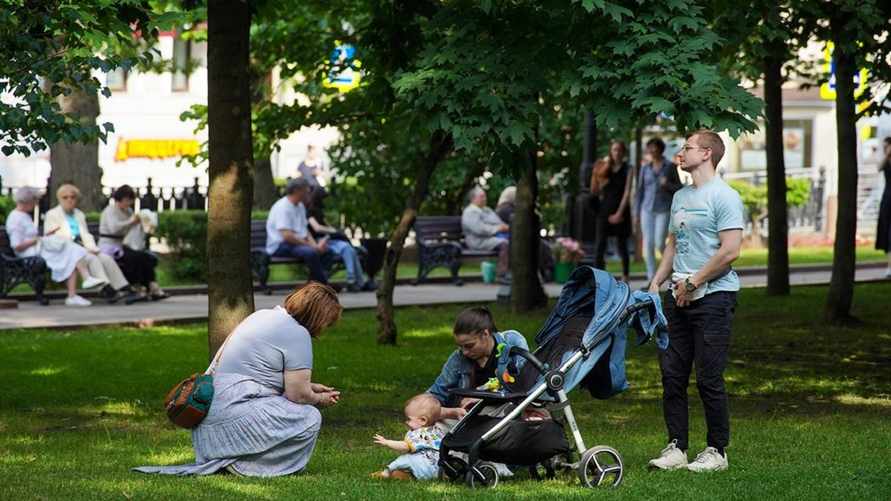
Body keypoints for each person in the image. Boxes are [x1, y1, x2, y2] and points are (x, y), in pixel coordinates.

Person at [134, 282, 343, 477]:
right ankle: (248, 466)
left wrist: (312, 387)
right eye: (327, 322)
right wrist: (319, 399)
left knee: (301, 409)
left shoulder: (263, 316)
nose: (325, 328)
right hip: (231, 414)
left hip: (208, 421)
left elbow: (264, 375)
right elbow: (297, 395)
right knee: (309, 417)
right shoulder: (297, 333)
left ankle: (234, 459)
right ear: (318, 315)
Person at [647, 130, 744, 473]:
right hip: (678, 295)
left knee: (708, 377)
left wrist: (694, 281)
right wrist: (657, 281)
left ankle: (717, 451)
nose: (680, 152)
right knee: (672, 374)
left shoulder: (725, 196)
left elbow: (730, 250)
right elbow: (673, 245)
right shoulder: (680, 197)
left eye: (687, 147)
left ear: (706, 154)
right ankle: (677, 447)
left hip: (714, 298)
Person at [6, 187, 107, 306]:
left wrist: (45, 237)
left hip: (37, 249)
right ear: (27, 201)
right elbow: (17, 246)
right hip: (29, 254)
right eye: (34, 201)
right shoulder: (15, 218)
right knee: (67, 247)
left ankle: (75, 293)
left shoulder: (24, 216)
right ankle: (83, 282)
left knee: (69, 251)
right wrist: (38, 239)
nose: (36, 204)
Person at [45, 184, 138, 304]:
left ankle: (122, 286)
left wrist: (92, 247)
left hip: (82, 248)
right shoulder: (52, 215)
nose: (69, 200)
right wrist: (83, 248)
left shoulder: (79, 214)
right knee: (92, 259)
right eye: (65, 197)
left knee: (105, 258)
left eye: (72, 197)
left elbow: (86, 235)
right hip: (65, 250)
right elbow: (52, 237)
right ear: (59, 199)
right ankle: (106, 288)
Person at [427, 306, 529, 407]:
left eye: (469, 346)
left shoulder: (511, 341)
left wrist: (481, 397)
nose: (465, 352)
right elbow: (437, 393)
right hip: (473, 415)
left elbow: (525, 382)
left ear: (485, 333)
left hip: (509, 409)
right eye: (460, 346)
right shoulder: (458, 358)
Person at [98, 185, 168, 301]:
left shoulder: (128, 211)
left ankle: (152, 285)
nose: (128, 203)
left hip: (124, 245)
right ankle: (138, 286)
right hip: (109, 246)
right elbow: (114, 229)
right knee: (135, 257)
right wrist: (131, 221)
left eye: (130, 201)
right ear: (119, 199)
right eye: (126, 200)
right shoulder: (110, 210)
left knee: (144, 257)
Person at [266, 178, 337, 288]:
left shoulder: (299, 206)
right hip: (280, 245)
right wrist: (312, 247)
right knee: (310, 253)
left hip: (296, 243)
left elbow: (305, 230)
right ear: (297, 190)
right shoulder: (283, 207)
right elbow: (287, 236)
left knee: (328, 252)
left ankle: (314, 285)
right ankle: (323, 286)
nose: (309, 191)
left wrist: (316, 245)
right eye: (306, 189)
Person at [306, 188, 376, 292]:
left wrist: (337, 231)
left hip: (329, 239)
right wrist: (332, 230)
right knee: (348, 248)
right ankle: (355, 281)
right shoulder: (310, 211)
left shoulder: (319, 211)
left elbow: (327, 225)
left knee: (350, 250)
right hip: (320, 241)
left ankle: (354, 281)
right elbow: (317, 228)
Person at [634, 137, 684, 281]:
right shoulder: (645, 168)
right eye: (650, 147)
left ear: (661, 149)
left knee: (659, 242)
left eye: (655, 147)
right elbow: (640, 191)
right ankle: (651, 278)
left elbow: (679, 188)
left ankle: (671, 269)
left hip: (663, 209)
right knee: (648, 245)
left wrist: (667, 184)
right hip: (647, 209)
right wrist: (636, 213)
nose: (652, 150)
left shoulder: (670, 166)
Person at [371, 394, 450, 480]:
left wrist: (387, 442)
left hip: (425, 466)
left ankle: (385, 473)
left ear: (423, 420)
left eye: (409, 419)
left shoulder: (420, 433)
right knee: (415, 459)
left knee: (404, 459)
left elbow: (405, 447)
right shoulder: (438, 431)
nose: (406, 422)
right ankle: (408, 476)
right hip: (438, 468)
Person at [591, 141, 633, 282]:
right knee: (600, 245)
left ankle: (625, 276)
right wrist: (598, 172)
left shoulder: (628, 168)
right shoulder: (605, 168)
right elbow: (596, 190)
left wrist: (619, 213)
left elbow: (627, 192)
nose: (617, 153)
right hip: (605, 209)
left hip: (621, 210)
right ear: (610, 151)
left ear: (623, 152)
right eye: (614, 150)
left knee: (622, 245)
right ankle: (598, 277)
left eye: (619, 150)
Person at [461, 187, 510, 283]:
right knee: (505, 244)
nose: (485, 199)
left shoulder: (486, 210)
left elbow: (498, 222)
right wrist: (497, 229)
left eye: (485, 196)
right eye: (482, 196)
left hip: (491, 238)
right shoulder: (470, 212)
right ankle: (501, 274)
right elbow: (479, 229)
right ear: (473, 198)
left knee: (516, 242)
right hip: (478, 241)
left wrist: (503, 227)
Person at [876, 137, 891, 278]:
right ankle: (889, 266)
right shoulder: (886, 161)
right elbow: (878, 168)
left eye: (887, 146)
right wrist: (887, 156)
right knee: (887, 233)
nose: (886, 149)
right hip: (887, 199)